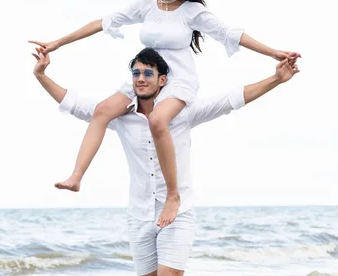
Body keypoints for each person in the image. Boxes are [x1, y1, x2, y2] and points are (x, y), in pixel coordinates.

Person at [29, 0, 300, 227]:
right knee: (102, 111)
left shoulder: (192, 12)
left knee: (158, 119)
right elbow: (102, 23)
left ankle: (173, 196)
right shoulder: (146, 6)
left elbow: (230, 34)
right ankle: (76, 177)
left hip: (178, 80)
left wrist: (273, 53)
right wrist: (57, 43)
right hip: (146, 75)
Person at [32, 47, 299, 276]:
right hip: (138, 216)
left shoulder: (181, 112)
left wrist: (276, 79)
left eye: (148, 73)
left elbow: (230, 100)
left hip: (177, 214)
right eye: (136, 73)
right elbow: (75, 105)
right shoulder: (120, 117)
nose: (140, 78)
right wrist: (41, 75)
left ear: (162, 80)